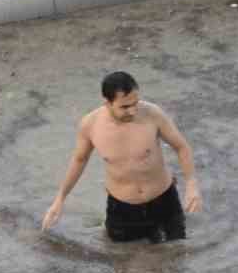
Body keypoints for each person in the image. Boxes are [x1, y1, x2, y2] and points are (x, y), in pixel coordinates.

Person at [42, 71, 203, 242]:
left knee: (176, 254)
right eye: (125, 107)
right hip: (122, 209)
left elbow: (181, 147)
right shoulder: (91, 125)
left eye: (135, 103)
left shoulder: (153, 114)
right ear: (107, 102)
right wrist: (59, 200)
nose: (132, 111)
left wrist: (192, 184)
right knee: (123, 262)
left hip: (164, 201)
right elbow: (79, 160)